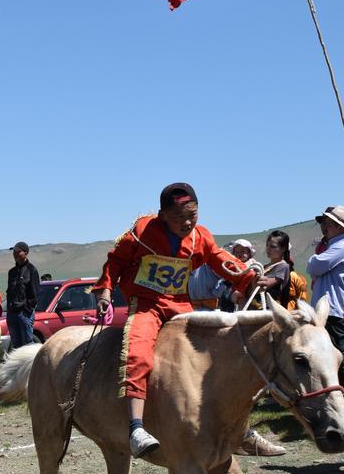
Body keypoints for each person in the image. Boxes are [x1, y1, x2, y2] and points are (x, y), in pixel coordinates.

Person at [93, 183, 257, 457]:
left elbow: (220, 259)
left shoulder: (200, 237)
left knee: (220, 348)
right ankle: (136, 428)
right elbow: (115, 262)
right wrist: (105, 291)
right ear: (162, 215)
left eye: (193, 214)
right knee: (139, 352)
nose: (188, 222)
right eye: (180, 217)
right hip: (146, 304)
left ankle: (241, 429)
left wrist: (248, 277)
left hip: (180, 304)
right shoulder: (142, 232)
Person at [307, 205, 344, 395]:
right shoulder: (337, 246)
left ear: (340, 227)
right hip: (329, 307)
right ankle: (336, 389)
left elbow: (315, 266)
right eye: (325, 222)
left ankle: (342, 390)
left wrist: (313, 258)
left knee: (337, 352)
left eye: (329, 223)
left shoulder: (342, 246)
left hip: (332, 309)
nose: (325, 226)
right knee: (332, 351)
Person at [6, 241, 41, 350]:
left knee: (27, 345)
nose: (15, 254)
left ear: (25, 252)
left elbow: (35, 293)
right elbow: (9, 292)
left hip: (24, 314)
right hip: (12, 314)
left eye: (18, 251)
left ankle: (29, 367)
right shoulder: (11, 272)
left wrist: (27, 309)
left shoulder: (32, 270)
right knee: (15, 346)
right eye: (14, 252)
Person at [257, 231, 293, 307]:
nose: (268, 249)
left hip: (272, 312)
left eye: (273, 246)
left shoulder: (283, 266)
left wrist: (252, 278)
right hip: (257, 309)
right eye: (267, 245)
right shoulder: (263, 267)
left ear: (283, 249)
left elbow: (264, 286)